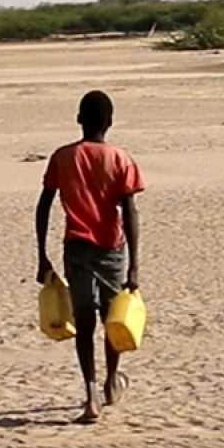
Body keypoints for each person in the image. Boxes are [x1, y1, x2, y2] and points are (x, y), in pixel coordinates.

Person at [35, 89, 143, 424]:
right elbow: (130, 212)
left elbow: (43, 206)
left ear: (79, 119)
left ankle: (91, 393)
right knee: (115, 321)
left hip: (76, 247)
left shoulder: (62, 157)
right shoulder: (120, 158)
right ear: (109, 122)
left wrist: (42, 255)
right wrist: (135, 265)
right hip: (111, 249)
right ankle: (111, 382)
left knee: (85, 322)